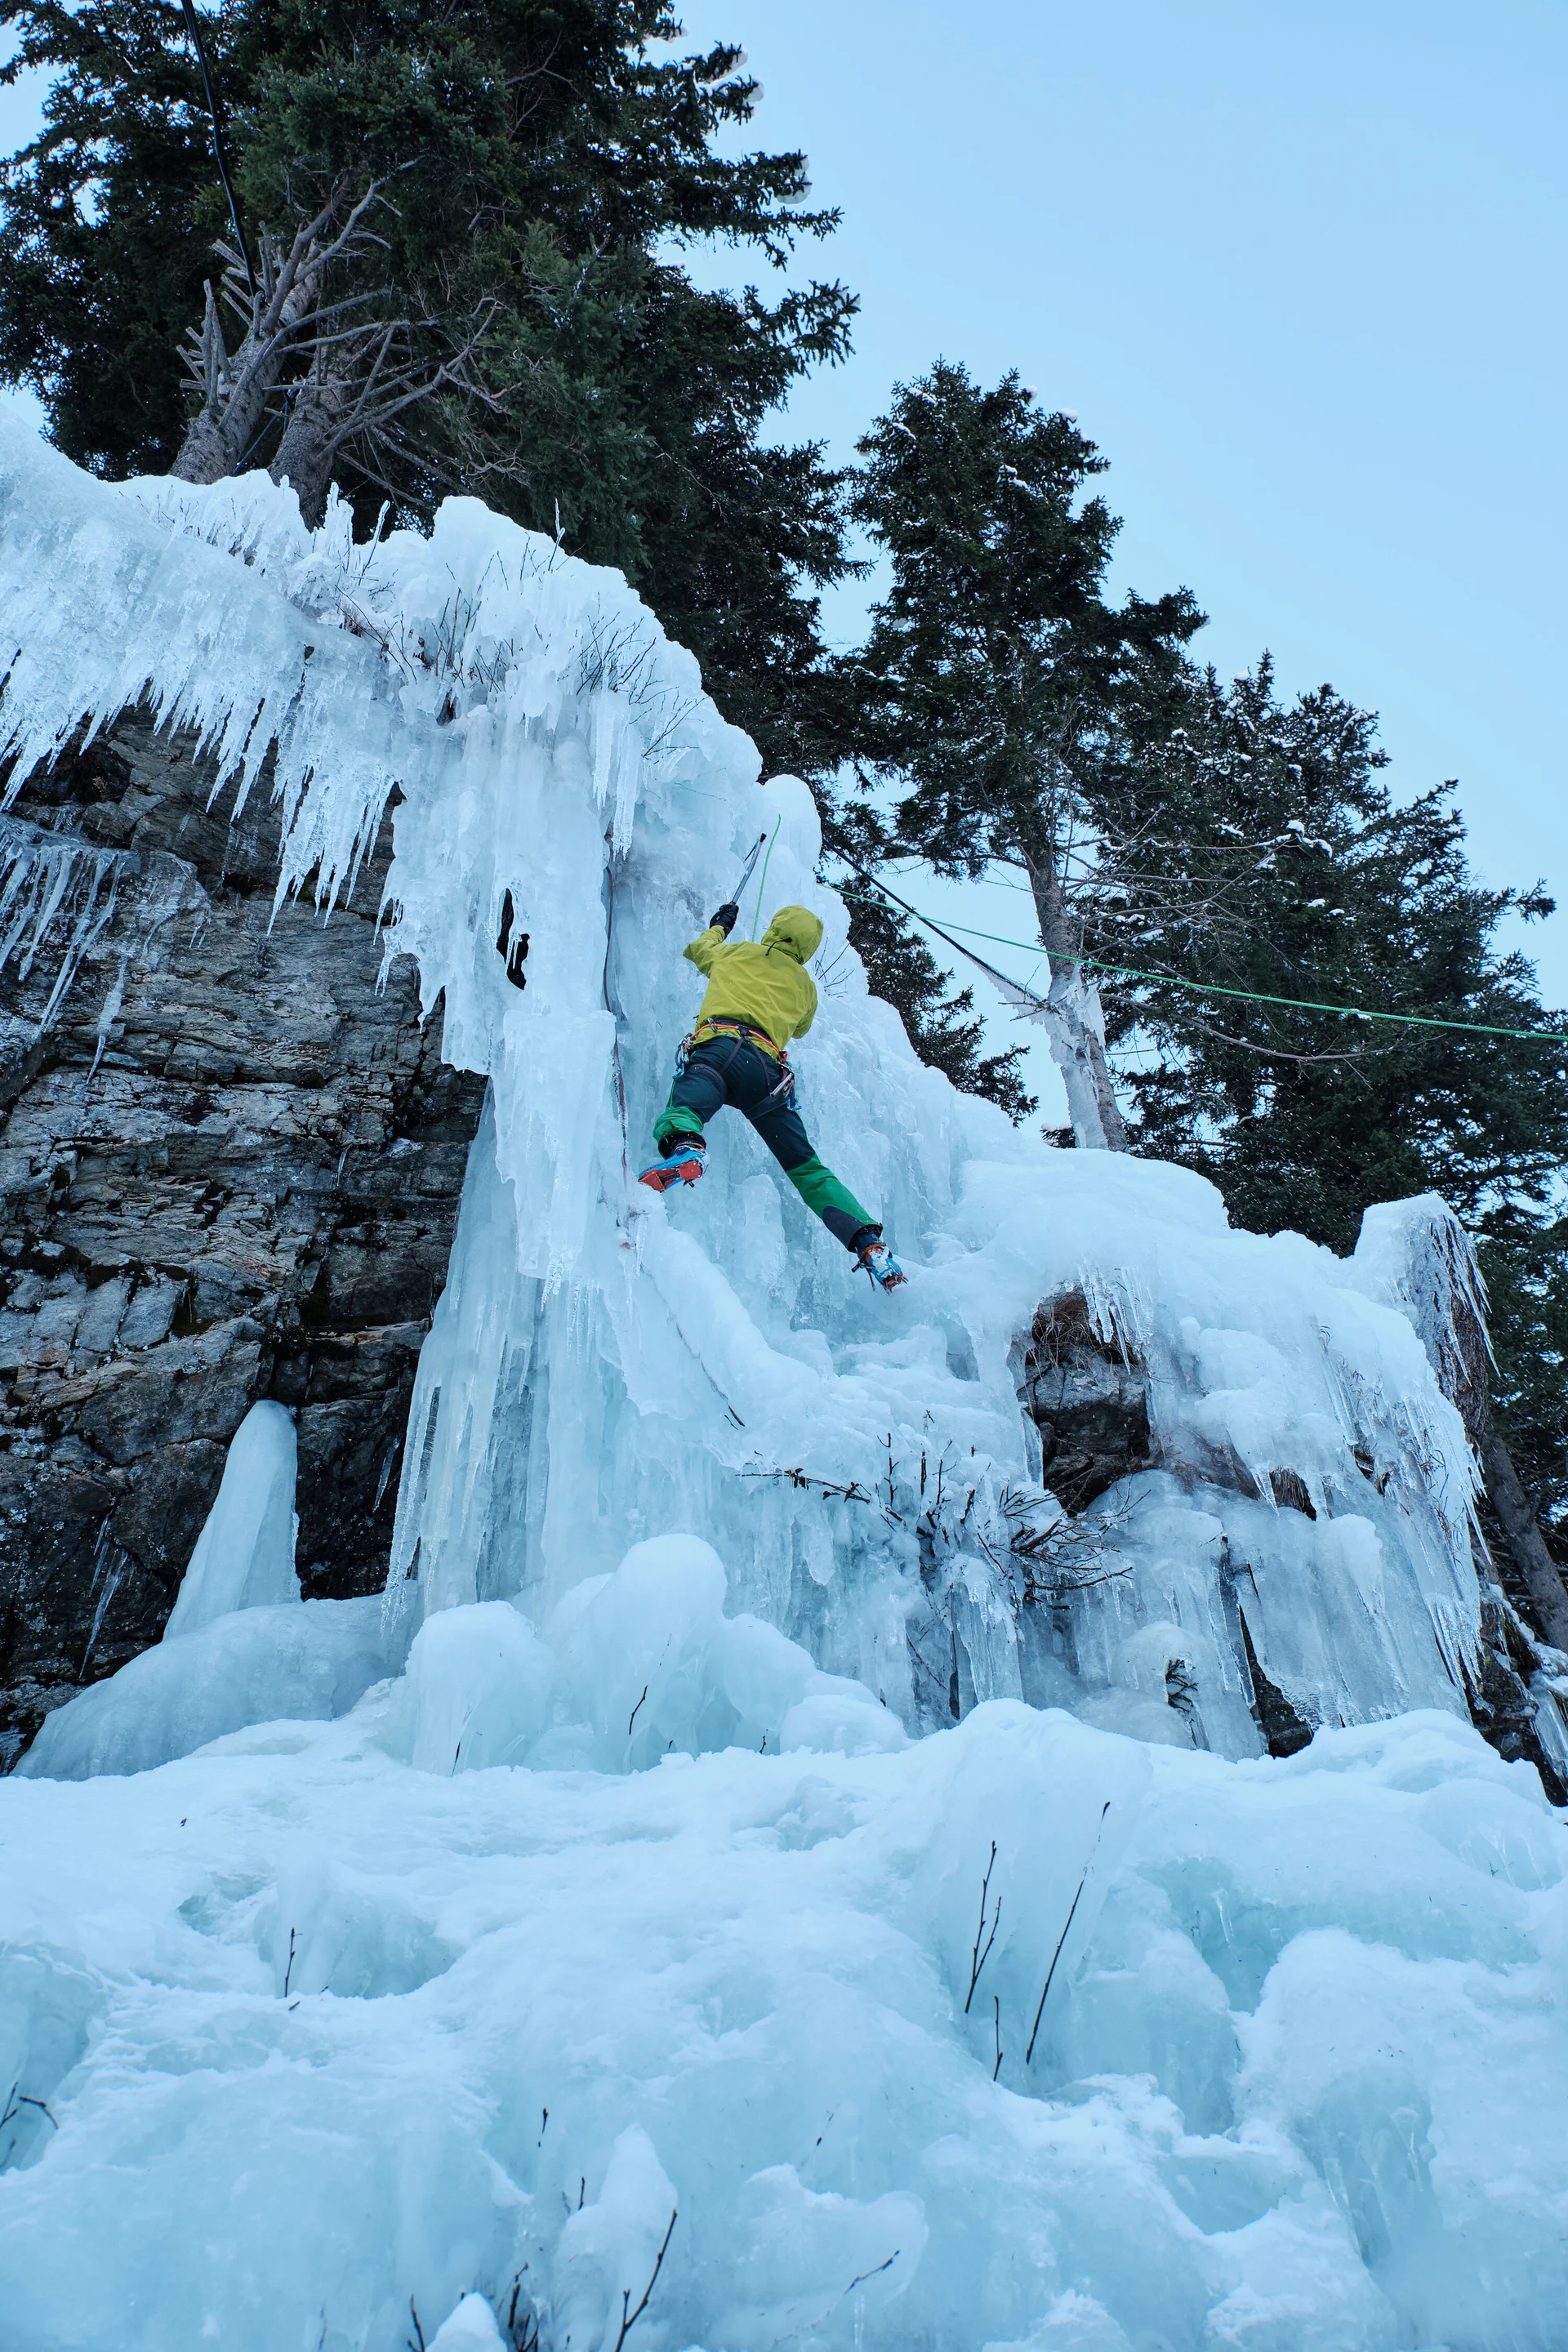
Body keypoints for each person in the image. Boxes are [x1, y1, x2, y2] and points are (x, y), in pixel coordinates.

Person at [639, 899, 906, 1290]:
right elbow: (799, 1029)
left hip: (719, 1051)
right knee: (807, 1168)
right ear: (808, 947)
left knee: (686, 1106)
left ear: (775, 927)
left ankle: (688, 1148)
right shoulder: (806, 988)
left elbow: (698, 950)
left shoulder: (737, 953)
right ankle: (869, 1244)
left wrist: (720, 926)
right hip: (766, 1076)